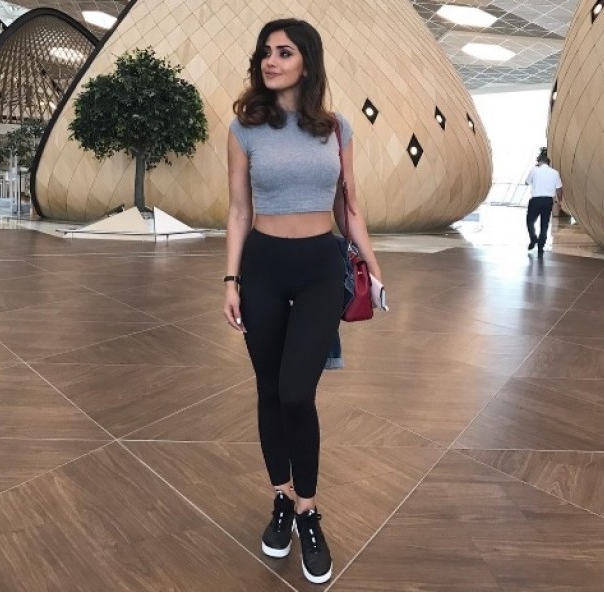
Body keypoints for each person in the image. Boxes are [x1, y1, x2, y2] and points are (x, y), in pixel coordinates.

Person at [223, 18, 382, 585]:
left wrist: (372, 265)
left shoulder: (336, 129)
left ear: (306, 62)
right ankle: (282, 499)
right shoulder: (244, 128)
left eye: (284, 52)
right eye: (266, 52)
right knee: (270, 390)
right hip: (263, 267)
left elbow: (349, 206)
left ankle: (308, 511)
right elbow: (238, 210)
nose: (271, 60)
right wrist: (230, 280)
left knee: (296, 391)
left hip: (320, 268)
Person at [525, 147, 563, 256]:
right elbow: (559, 188)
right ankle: (541, 246)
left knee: (530, 221)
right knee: (544, 224)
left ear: (540, 162)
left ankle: (533, 239)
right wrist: (560, 201)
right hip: (548, 201)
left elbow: (527, 182)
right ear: (548, 163)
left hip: (535, 200)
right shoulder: (555, 173)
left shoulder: (534, 170)